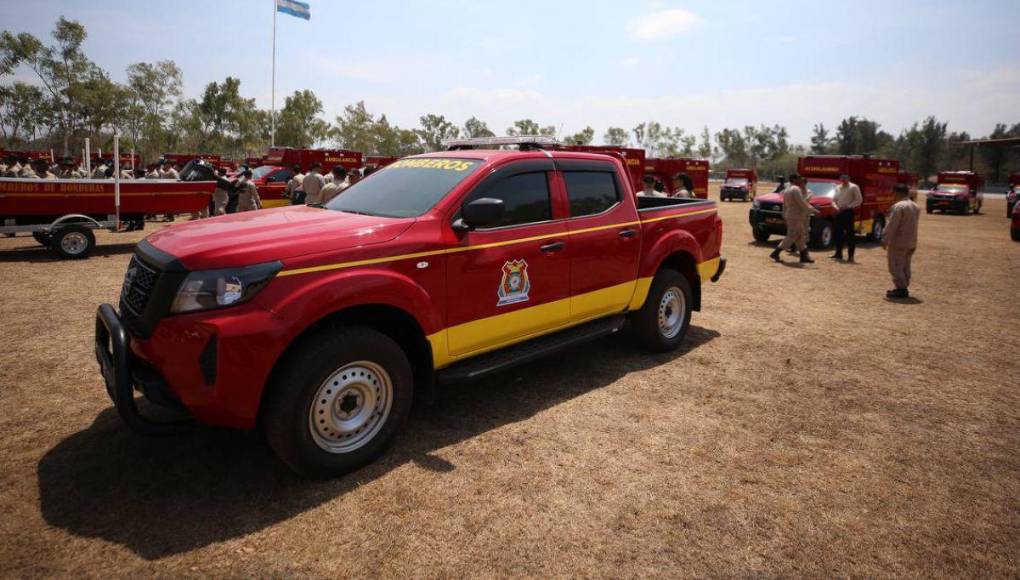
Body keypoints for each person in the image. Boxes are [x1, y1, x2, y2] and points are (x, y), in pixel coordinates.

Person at [882, 183, 920, 299]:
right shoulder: (915, 206)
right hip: (911, 241)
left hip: (899, 242)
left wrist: (885, 239)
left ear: (897, 193)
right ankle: (903, 287)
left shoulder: (899, 207)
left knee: (895, 265)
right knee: (905, 265)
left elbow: (892, 225)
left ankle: (901, 289)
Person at [770, 173, 818, 263]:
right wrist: (813, 210)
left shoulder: (788, 189)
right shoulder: (795, 189)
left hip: (793, 215)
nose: (800, 180)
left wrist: (784, 214)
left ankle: (804, 256)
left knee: (800, 235)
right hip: (795, 215)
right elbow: (801, 203)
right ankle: (776, 252)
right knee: (792, 235)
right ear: (794, 179)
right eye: (798, 178)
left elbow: (785, 204)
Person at [831, 173, 863, 262]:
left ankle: (850, 256)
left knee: (850, 235)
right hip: (839, 212)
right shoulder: (838, 187)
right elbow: (833, 200)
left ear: (849, 178)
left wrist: (848, 206)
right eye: (842, 177)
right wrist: (836, 207)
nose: (843, 179)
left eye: (845, 177)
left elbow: (859, 200)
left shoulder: (853, 187)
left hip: (848, 212)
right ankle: (838, 254)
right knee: (838, 233)